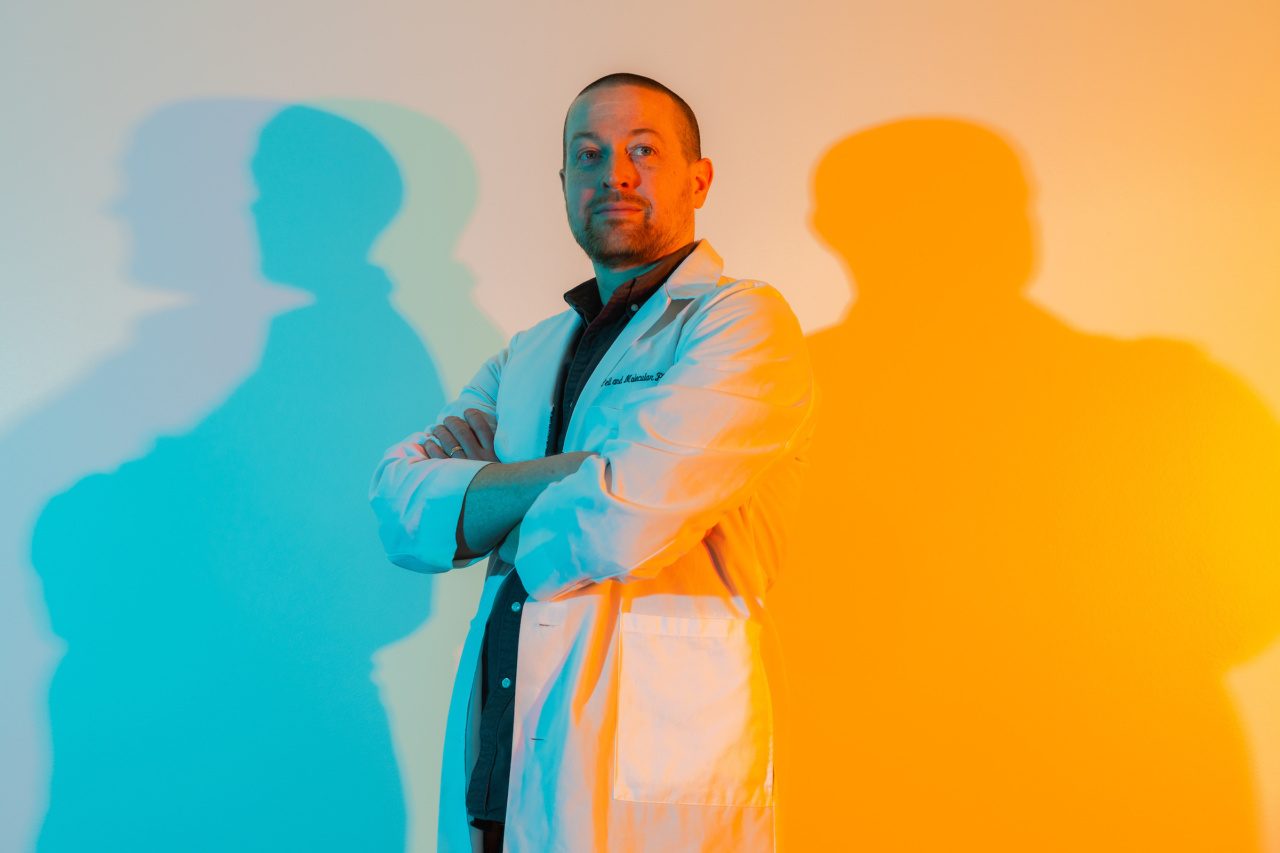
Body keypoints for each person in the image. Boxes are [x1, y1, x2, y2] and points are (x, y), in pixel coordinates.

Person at [369, 72, 816, 852]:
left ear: (699, 178)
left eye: (643, 150)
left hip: (649, 775)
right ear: (564, 183)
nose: (614, 172)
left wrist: (485, 499)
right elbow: (403, 507)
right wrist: (571, 471)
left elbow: (622, 520)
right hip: (500, 775)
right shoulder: (533, 350)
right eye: (589, 154)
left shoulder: (743, 324)